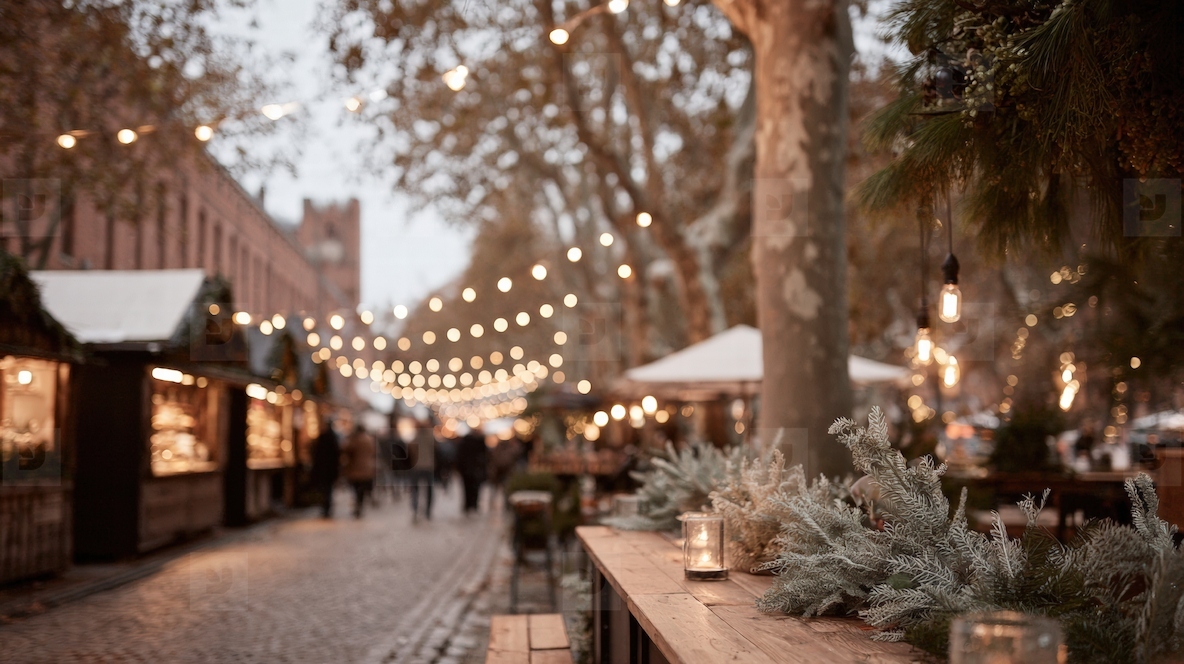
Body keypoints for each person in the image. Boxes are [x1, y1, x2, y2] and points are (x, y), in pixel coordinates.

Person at [342, 423, 377, 519]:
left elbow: (346, 449)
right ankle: (360, 505)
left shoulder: (355, 440)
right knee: (361, 490)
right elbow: (374, 452)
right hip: (367, 468)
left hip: (355, 469)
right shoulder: (370, 439)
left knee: (356, 489)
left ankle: (358, 506)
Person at [311, 418, 341, 518]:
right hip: (330, 469)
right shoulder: (334, 437)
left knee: (325, 489)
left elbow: (316, 454)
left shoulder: (323, 437)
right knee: (328, 489)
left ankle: (325, 507)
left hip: (323, 469)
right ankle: (326, 507)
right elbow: (337, 454)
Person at [408, 416, 436, 522]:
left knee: (415, 490)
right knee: (429, 490)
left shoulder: (416, 436)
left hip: (417, 467)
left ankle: (415, 509)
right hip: (428, 466)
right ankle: (428, 512)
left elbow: (410, 449)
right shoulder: (430, 436)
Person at [456, 429, 489, 514]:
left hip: (467, 470)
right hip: (474, 470)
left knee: (467, 488)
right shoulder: (480, 442)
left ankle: (468, 505)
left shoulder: (465, 442)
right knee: (475, 488)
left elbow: (459, 457)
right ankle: (473, 505)